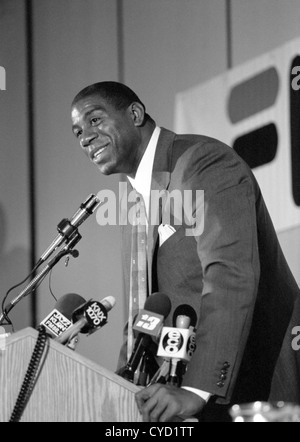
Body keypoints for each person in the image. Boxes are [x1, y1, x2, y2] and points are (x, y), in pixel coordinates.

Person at [71, 81, 300, 422]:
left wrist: (196, 389)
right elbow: (144, 313)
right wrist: (124, 388)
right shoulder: (132, 195)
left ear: (134, 114)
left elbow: (230, 274)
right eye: (77, 132)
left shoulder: (201, 162)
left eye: (94, 120)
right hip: (186, 404)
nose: (85, 137)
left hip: (254, 390)